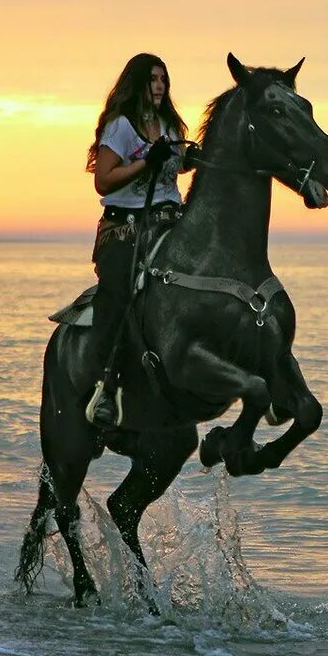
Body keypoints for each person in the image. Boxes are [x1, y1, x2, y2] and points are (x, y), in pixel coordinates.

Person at [84, 53, 191, 428]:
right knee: (118, 294)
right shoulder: (120, 128)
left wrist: (188, 159)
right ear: (137, 84)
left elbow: (174, 164)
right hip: (125, 228)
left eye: (164, 79)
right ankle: (106, 385)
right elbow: (104, 180)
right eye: (152, 79)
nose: (160, 85)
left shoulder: (170, 126)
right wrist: (148, 161)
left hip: (169, 222)